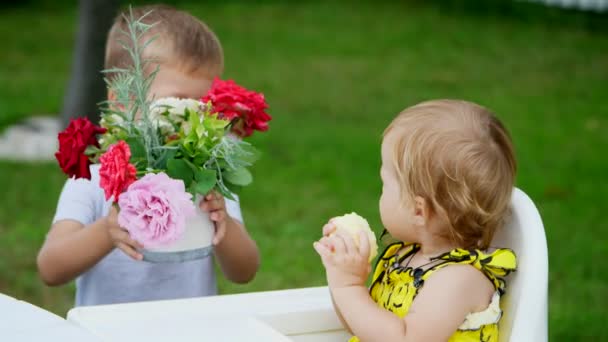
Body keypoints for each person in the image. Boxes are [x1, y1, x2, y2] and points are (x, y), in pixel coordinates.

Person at [37, 5, 260, 307]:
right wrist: (108, 230)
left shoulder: (208, 176)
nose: (195, 116)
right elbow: (50, 267)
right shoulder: (96, 176)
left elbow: (244, 271)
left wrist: (224, 225)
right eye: (179, 102)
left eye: (203, 104)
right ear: (123, 102)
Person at [314, 99, 518, 341]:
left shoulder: (458, 280)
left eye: (384, 185)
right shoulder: (406, 258)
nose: (380, 193)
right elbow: (363, 327)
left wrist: (348, 287)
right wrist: (341, 274)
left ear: (418, 211)